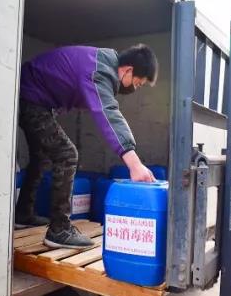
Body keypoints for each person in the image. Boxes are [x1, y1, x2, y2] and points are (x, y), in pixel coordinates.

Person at [15, 43, 156, 249]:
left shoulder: (101, 63)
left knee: (42, 155)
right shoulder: (100, 72)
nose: (135, 88)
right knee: (67, 154)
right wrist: (134, 164)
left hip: (31, 96)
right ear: (128, 70)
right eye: (138, 83)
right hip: (29, 98)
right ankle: (59, 229)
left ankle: (23, 213)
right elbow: (108, 113)